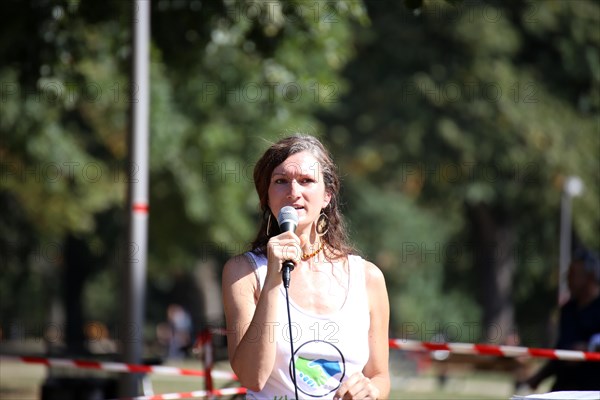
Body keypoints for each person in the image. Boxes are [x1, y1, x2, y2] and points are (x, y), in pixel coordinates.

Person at [222, 134, 390, 399]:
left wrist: (370, 392)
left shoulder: (367, 278)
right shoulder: (243, 272)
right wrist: (274, 279)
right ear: (266, 196)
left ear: (327, 195)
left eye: (306, 181)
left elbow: (380, 376)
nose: (293, 192)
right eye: (280, 181)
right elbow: (252, 378)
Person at [523, 247, 600, 391]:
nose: (567, 279)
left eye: (573, 274)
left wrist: (588, 348)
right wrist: (537, 378)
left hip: (592, 389)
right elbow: (561, 351)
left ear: (589, 277)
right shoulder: (568, 310)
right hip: (563, 386)